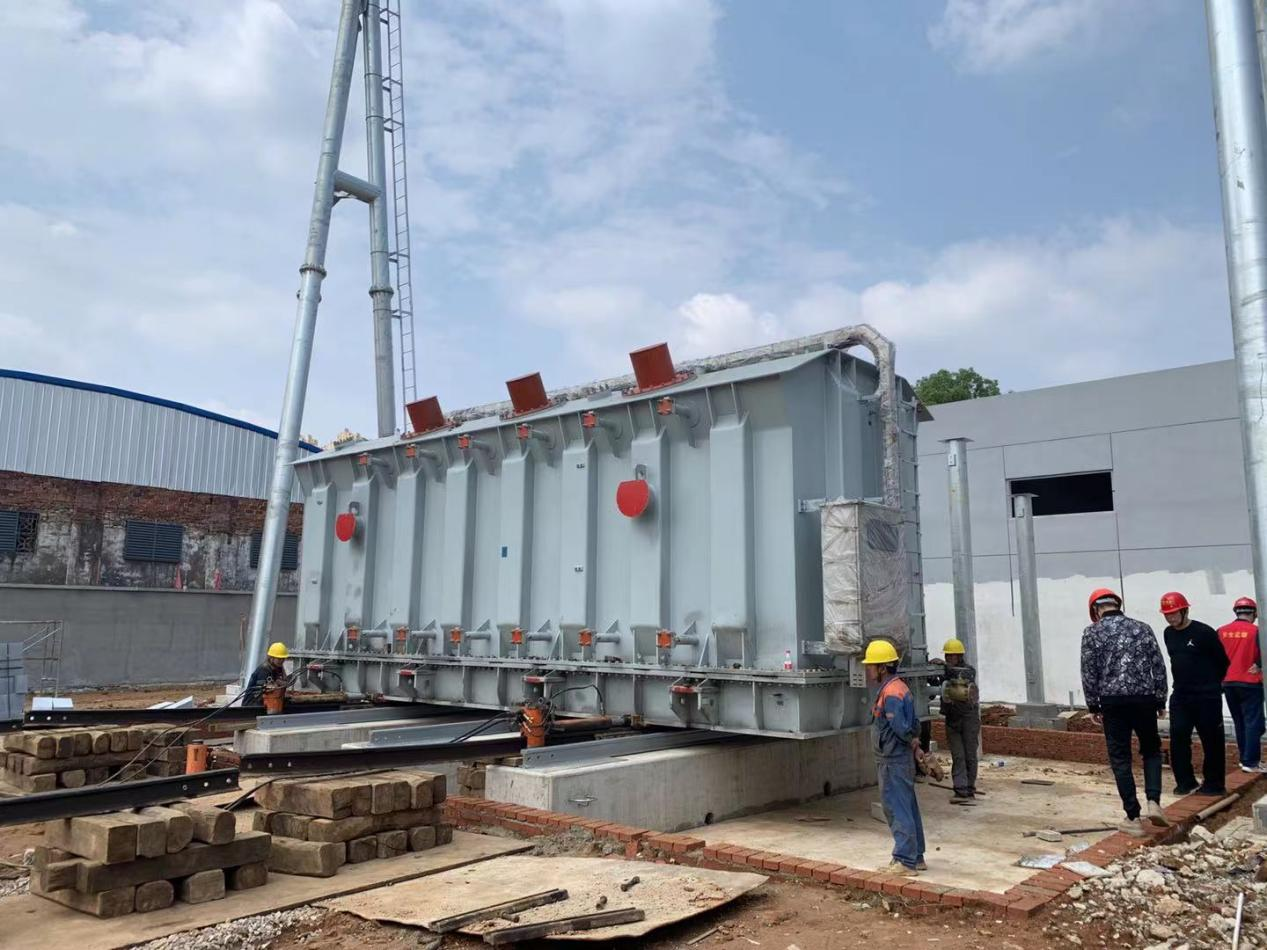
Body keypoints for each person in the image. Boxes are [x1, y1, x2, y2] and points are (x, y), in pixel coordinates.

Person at [1080, 588, 1171, 837]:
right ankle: (1154, 801)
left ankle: (1133, 816)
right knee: (1151, 750)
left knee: (1120, 757)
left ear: (1096, 609)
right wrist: (1160, 699)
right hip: (1144, 699)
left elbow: (1089, 671)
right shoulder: (1142, 628)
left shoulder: (1092, 632)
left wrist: (1093, 705)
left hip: (1113, 702)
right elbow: (1158, 665)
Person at [863, 638, 926, 876]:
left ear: (882, 667)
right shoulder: (900, 687)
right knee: (907, 806)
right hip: (899, 757)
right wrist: (916, 746)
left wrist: (912, 743)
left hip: (893, 759)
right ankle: (916, 856)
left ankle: (904, 860)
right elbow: (913, 725)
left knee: (896, 807)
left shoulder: (890, 693)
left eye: (871, 665)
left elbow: (900, 727)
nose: (868, 670)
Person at [1160, 591, 1228, 796]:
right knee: (1178, 737)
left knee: (1212, 740)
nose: (1170, 618)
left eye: (1174, 613)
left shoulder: (1204, 632)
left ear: (1184, 611)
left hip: (1206, 696)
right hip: (1181, 695)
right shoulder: (1168, 633)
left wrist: (1211, 684)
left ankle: (1214, 784)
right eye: (1167, 614)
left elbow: (1222, 662)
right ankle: (1185, 781)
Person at [929, 638, 980, 804]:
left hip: (969, 719)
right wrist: (932, 671)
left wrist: (944, 667)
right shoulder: (946, 672)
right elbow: (936, 686)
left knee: (970, 755)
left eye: (953, 656)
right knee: (958, 756)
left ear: (960, 656)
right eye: (947, 656)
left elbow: (962, 674)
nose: (950, 658)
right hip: (952, 719)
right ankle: (960, 790)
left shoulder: (968, 671)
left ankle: (970, 788)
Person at [1219, 596, 1266, 774]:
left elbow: (1214, 656)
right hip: (1250, 683)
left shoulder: (1221, 631)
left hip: (1228, 682)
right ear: (1254, 613)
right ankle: (1251, 762)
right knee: (1254, 723)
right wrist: (1259, 665)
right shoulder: (1257, 631)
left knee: (1239, 721)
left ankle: (1244, 759)